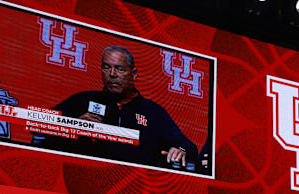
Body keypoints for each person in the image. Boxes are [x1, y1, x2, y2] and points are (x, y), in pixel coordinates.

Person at [35, 45, 198, 169]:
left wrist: (181, 149)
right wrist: (74, 125)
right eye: (106, 67)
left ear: (134, 74)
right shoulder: (82, 100)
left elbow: (189, 146)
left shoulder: (153, 112)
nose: (112, 74)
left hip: (136, 192)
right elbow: (39, 126)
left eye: (119, 69)